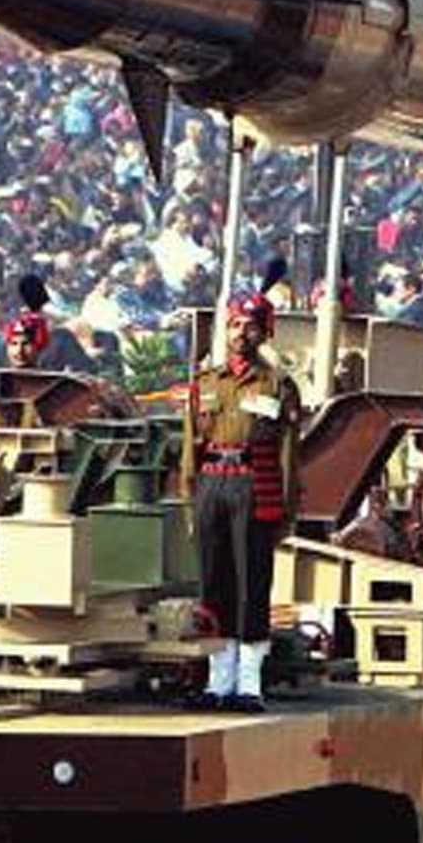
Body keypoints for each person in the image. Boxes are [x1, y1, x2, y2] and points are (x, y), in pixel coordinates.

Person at [182, 292, 303, 713]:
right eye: (235, 325)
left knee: (252, 581)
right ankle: (219, 680)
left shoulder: (277, 385)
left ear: (264, 332)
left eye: (250, 326)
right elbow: (189, 447)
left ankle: (249, 684)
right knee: (214, 582)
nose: (240, 333)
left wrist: (288, 510)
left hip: (255, 486)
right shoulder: (207, 383)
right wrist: (188, 499)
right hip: (212, 484)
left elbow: (289, 451)